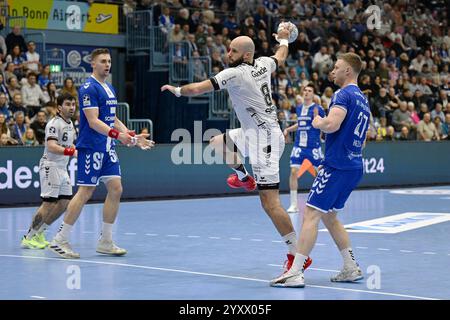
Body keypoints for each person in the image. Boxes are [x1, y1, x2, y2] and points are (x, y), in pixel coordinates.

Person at [161, 27, 313, 273]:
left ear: (244, 55)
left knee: (270, 203)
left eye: (232, 50)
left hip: (265, 140)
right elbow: (281, 54)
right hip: (253, 133)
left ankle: (297, 254)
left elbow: (199, 88)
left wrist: (177, 90)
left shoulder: (234, 74)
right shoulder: (264, 63)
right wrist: (284, 38)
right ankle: (245, 177)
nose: (227, 52)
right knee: (217, 142)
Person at [270, 53, 370, 288]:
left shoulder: (342, 94)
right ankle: (351, 266)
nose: (333, 72)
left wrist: (319, 123)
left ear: (348, 71)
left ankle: (295, 272)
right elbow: (363, 140)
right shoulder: (363, 99)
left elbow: (332, 124)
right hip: (354, 166)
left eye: (337, 68)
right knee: (330, 216)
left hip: (336, 165)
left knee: (311, 214)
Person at [48, 48, 154, 259]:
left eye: (108, 61)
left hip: (107, 147)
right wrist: (118, 135)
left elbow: (112, 119)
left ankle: (106, 241)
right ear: (93, 64)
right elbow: (94, 121)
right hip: (91, 146)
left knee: (116, 188)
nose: (107, 64)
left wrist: (131, 136)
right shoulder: (88, 88)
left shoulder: (110, 88)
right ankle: (60, 239)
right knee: (85, 191)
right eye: (103, 61)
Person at [21, 93, 77, 249]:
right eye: (67, 104)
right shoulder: (54, 124)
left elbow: (69, 144)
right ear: (59, 107)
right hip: (50, 165)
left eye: (73, 104)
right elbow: (51, 146)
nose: (71, 107)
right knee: (49, 203)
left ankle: (40, 232)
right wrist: (71, 152)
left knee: (64, 202)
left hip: (62, 167)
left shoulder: (70, 124)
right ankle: (29, 236)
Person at [283, 84, 324, 213]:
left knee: (319, 175)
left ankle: (320, 201)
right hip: (299, 146)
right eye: (305, 90)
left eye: (309, 91)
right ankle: (294, 204)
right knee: (294, 172)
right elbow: (300, 123)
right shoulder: (299, 108)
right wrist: (288, 129)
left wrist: (317, 118)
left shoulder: (318, 109)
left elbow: (323, 126)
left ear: (313, 95)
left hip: (313, 147)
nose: (306, 92)